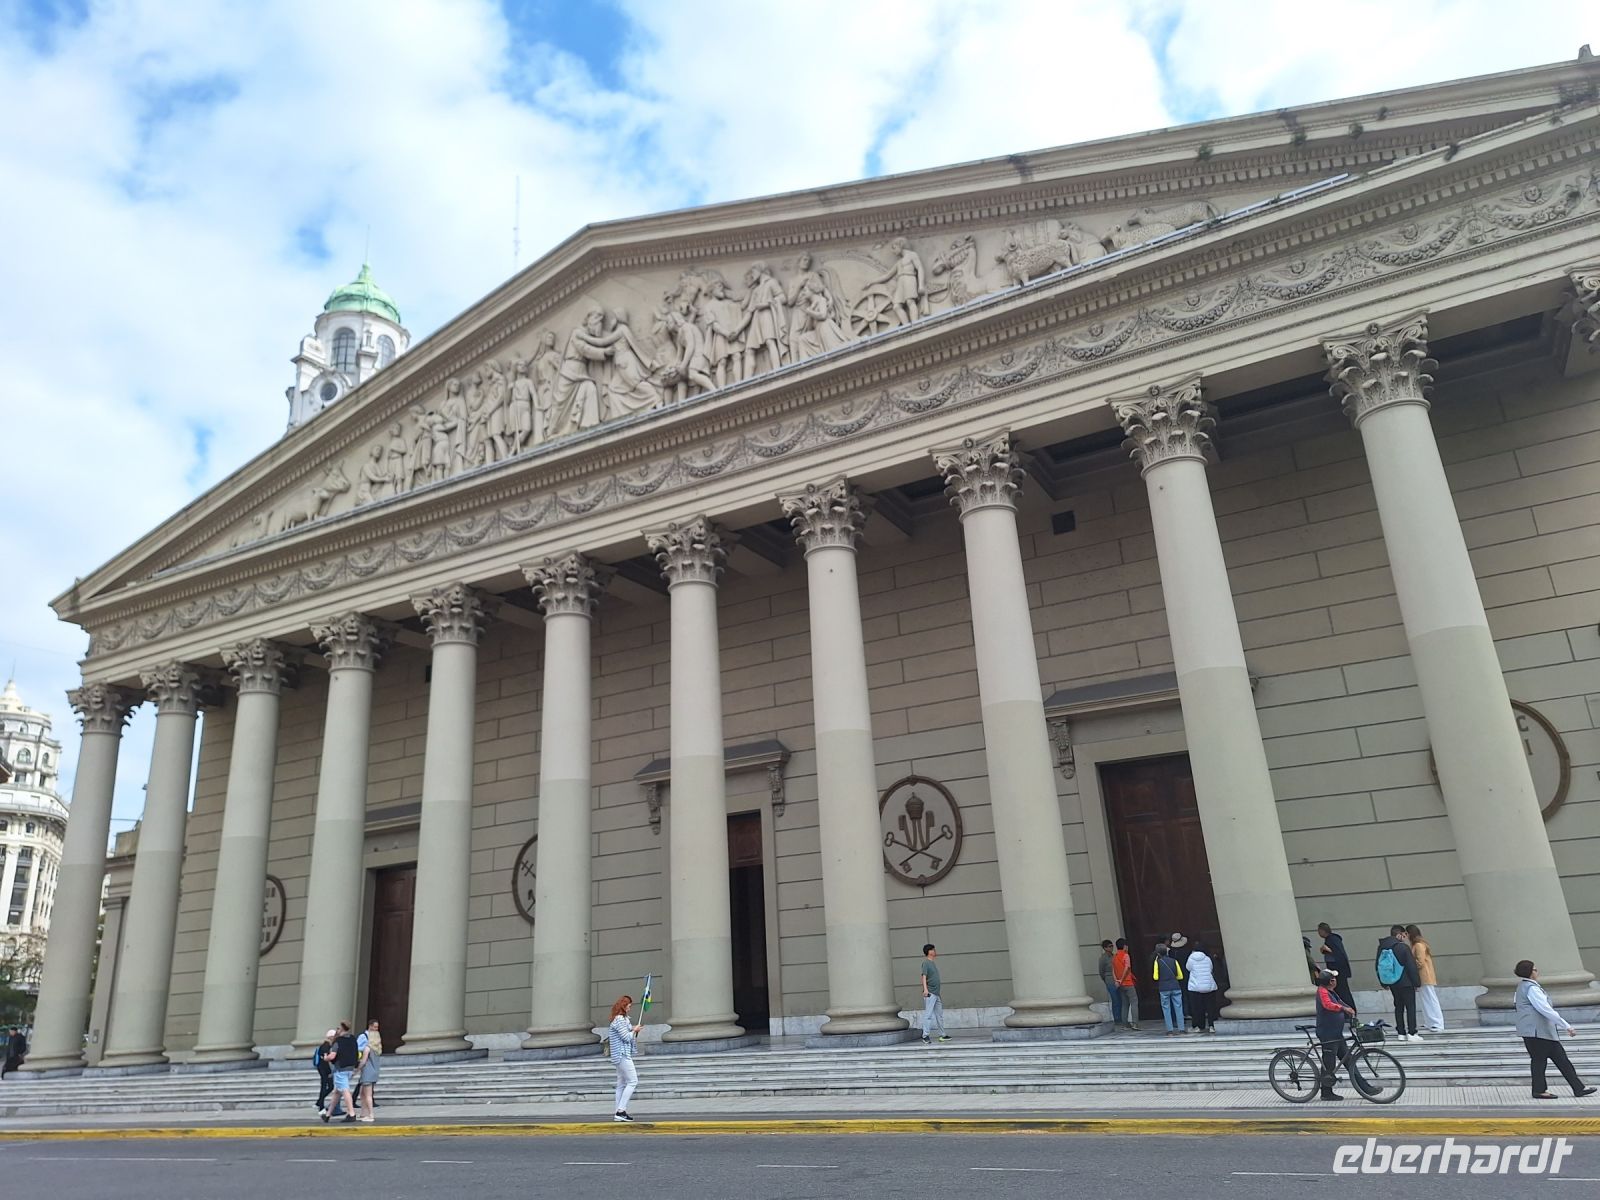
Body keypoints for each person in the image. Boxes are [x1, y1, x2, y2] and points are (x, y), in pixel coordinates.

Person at [1514, 960, 1596, 1100]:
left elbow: (1518, 1004)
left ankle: (1578, 1087)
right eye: (1535, 969)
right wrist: (1566, 1025)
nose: (1537, 971)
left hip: (1540, 1032)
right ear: (1529, 972)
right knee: (1540, 1061)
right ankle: (1539, 1091)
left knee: (1561, 1060)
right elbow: (1545, 1009)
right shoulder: (1531, 988)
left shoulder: (1522, 987)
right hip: (1537, 1032)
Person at [1313, 969, 1357, 1101]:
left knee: (1349, 1061)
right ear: (1331, 981)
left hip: (1336, 1033)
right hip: (1328, 1033)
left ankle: (1365, 1088)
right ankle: (1326, 1092)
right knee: (1329, 1063)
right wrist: (1343, 1009)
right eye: (1334, 978)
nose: (1335, 980)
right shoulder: (1322, 991)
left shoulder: (1331, 992)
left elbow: (1340, 1003)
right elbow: (1328, 1005)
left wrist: (1349, 1009)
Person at [1375, 925, 1421, 1041]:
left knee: (1398, 1006)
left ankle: (1401, 1032)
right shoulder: (1403, 947)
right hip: (1406, 982)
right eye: (1403, 935)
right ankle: (1412, 1033)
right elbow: (1411, 967)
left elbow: (1378, 966)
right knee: (1410, 1007)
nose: (1405, 937)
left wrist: (1383, 982)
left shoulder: (1382, 947)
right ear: (1398, 935)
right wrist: (1416, 982)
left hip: (1392, 982)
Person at [608, 994, 642, 1122]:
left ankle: (618, 1112)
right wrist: (634, 1030)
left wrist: (633, 1029)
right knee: (633, 1081)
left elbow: (626, 1032)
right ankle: (621, 1111)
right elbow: (626, 1037)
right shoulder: (620, 1020)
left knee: (621, 1084)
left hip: (620, 1055)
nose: (630, 1008)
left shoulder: (621, 1019)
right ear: (624, 1005)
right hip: (622, 1054)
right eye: (629, 1006)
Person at [320, 1021, 360, 1124]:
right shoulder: (352, 1039)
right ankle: (328, 1115)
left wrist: (326, 1058)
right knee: (337, 1092)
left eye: (338, 1028)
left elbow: (332, 1056)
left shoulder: (338, 1041)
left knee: (345, 1091)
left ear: (341, 1029)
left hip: (340, 1069)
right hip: (350, 1068)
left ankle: (351, 1113)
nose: (336, 1030)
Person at [1406, 925, 1443, 1032]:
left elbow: (1420, 962)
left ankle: (1437, 1023)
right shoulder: (1419, 944)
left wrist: (1411, 966)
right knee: (1426, 1000)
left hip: (1424, 976)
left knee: (1430, 999)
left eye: (1407, 933)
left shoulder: (1418, 945)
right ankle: (1430, 1022)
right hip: (1423, 977)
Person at [1316, 923, 1356, 1010]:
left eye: (1319, 931)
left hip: (1339, 971)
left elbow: (1339, 954)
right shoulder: (1330, 939)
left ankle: (1350, 1010)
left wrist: (1327, 950)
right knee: (1339, 992)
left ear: (1323, 930)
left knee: (1343, 991)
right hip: (1336, 971)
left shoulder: (1333, 939)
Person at [1185, 939, 1220, 1034]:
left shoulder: (1191, 958)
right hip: (1209, 986)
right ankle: (1212, 1025)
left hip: (1195, 986)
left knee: (1197, 1008)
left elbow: (1188, 968)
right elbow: (1211, 968)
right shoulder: (1207, 958)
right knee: (1210, 1007)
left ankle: (1198, 1026)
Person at [1151, 941, 1185, 1035]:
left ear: (1157, 953)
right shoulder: (1174, 961)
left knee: (1166, 1008)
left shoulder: (1157, 962)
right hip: (1175, 986)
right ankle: (1181, 1028)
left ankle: (1170, 1030)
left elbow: (1155, 977)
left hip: (1164, 988)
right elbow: (1180, 976)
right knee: (1178, 1007)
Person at [920, 944, 951, 1043]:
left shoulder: (932, 963)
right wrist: (925, 990)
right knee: (928, 1015)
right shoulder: (926, 963)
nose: (935, 951)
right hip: (930, 993)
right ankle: (925, 1036)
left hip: (936, 994)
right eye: (933, 949)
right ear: (929, 952)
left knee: (939, 1015)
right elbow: (924, 977)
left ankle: (942, 1035)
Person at [356, 1019, 382, 1123]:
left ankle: (370, 1114)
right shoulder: (377, 1049)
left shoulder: (367, 1048)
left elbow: (363, 1061)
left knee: (367, 1095)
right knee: (362, 1093)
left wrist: (357, 1070)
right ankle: (363, 1113)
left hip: (367, 1072)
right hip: (374, 1072)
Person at [1168, 933, 1193, 1029]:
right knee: (1188, 993)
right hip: (1187, 974)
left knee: (1179, 995)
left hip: (1176, 976)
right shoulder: (1187, 952)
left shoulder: (1171, 953)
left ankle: (1183, 1013)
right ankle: (1189, 1012)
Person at [1112, 939, 1138, 1031]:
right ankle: (1135, 1023)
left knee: (1124, 1003)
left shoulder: (1114, 956)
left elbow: (1113, 970)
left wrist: (1117, 981)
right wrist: (1122, 979)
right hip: (1128, 982)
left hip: (1119, 984)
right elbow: (1127, 968)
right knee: (1134, 1002)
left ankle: (1124, 1024)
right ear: (1125, 946)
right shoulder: (1126, 955)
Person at [1098, 940, 1122, 1026]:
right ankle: (1117, 1019)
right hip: (1109, 980)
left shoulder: (1114, 956)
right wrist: (1106, 980)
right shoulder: (1103, 958)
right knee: (1115, 1000)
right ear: (1105, 948)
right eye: (1109, 946)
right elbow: (1101, 971)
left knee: (1120, 999)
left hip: (1117, 980)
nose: (1111, 948)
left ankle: (1122, 1017)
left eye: (1112, 946)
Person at [312, 1028, 337, 1112]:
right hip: (324, 1069)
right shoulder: (326, 1046)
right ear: (330, 1037)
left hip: (323, 1068)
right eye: (334, 1036)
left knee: (329, 1086)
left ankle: (319, 1102)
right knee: (325, 1086)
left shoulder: (326, 1045)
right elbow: (326, 1059)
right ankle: (321, 1106)